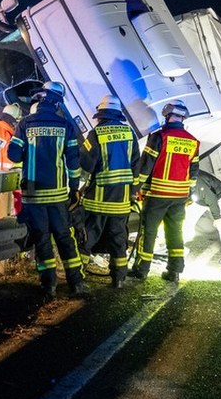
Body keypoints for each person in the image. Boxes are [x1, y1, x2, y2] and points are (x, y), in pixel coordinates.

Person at [7, 81, 89, 298]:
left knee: (42, 239)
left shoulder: (25, 124)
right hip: (58, 195)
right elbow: (73, 163)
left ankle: (49, 286)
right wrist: (74, 189)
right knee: (64, 237)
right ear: (57, 103)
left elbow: (13, 155)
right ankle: (76, 283)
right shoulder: (66, 126)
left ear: (40, 99)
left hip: (33, 195)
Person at [130, 100, 201, 283]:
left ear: (167, 114)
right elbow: (194, 171)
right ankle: (174, 271)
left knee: (149, 231)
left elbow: (145, 167)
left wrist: (134, 189)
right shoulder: (193, 141)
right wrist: (188, 192)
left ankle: (141, 269)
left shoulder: (159, 137)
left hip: (158, 194)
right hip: (179, 196)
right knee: (175, 232)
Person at [77, 96, 140, 288]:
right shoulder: (129, 133)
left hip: (98, 200)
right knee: (118, 239)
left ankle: (78, 276)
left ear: (101, 115)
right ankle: (119, 278)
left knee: (88, 237)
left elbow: (86, 165)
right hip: (121, 201)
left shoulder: (96, 133)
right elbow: (136, 165)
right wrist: (133, 192)